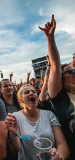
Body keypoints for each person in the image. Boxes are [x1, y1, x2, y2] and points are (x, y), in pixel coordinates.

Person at [39, 15, 75, 159]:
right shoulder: (60, 97)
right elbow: (55, 65)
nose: (74, 72)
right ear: (61, 77)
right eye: (70, 71)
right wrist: (50, 38)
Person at [5, 84, 70, 160]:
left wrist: (58, 157)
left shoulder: (49, 115)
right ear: (21, 100)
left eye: (34, 92)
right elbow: (15, 150)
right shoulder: (16, 117)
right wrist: (14, 133)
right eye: (26, 92)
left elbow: (62, 144)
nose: (31, 93)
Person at [0, 79, 21, 160]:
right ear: (0, 90)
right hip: (9, 143)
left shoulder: (21, 102)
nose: (8, 87)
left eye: (10, 85)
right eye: (5, 86)